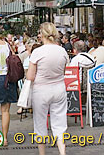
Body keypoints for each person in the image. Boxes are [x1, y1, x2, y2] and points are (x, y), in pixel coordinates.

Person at [26, 23, 69, 155]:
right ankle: (62, 152)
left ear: (41, 35)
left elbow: (30, 76)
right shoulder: (62, 51)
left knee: (40, 123)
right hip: (59, 88)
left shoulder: (37, 52)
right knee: (60, 122)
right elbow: (63, 71)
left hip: (41, 90)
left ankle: (42, 153)